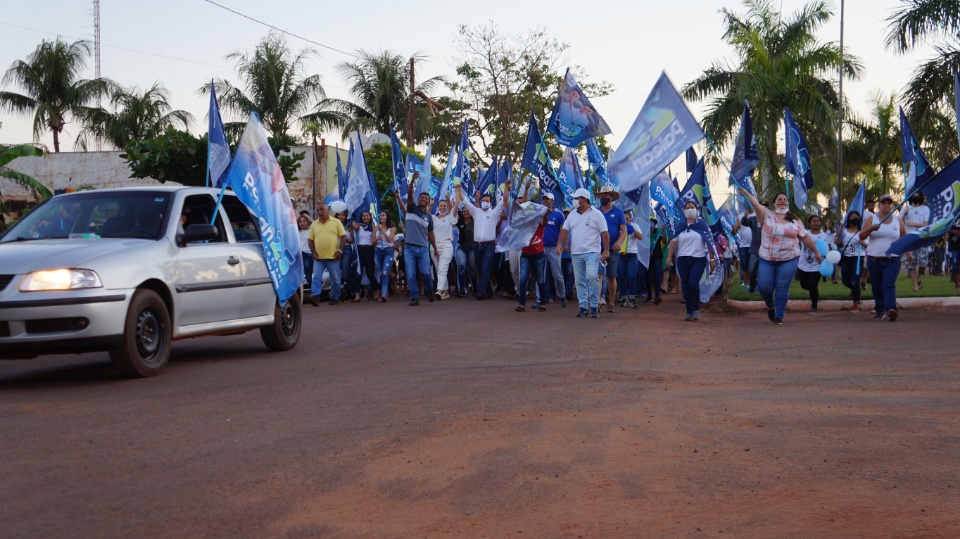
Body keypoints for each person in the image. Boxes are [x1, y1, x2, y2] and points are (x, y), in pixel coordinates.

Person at [739, 189, 822, 324]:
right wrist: (747, 194)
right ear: (774, 203)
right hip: (767, 259)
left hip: (789, 259)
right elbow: (756, 205)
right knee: (765, 287)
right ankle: (771, 305)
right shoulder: (766, 215)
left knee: (782, 287)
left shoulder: (795, 220)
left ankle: (779, 315)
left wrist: (817, 252)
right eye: (780, 199)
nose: (783, 200)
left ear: (787, 203)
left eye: (785, 199)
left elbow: (805, 237)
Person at [556, 188, 609, 318]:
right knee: (579, 281)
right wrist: (559, 244)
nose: (574, 201)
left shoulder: (596, 214)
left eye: (576, 198)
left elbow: (604, 233)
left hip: (592, 252)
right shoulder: (572, 215)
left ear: (584, 199)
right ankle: (583, 307)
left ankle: (594, 305)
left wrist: (606, 250)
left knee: (592, 277)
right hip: (576, 253)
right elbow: (564, 230)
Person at [456, 179, 507, 300]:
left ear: (490, 202)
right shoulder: (476, 211)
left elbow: (504, 201)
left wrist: (507, 188)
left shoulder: (494, 213)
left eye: (487, 201)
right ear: (480, 201)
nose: (485, 202)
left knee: (485, 268)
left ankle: (480, 291)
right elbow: (465, 201)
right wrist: (459, 191)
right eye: (483, 200)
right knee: (480, 269)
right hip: (476, 245)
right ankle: (488, 291)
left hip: (489, 245)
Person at [667, 200, 718, 321]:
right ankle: (688, 311)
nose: (690, 209)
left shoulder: (702, 225)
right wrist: (669, 256)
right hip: (682, 259)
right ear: (684, 211)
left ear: (696, 210)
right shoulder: (681, 226)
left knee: (693, 283)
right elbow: (673, 243)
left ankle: (695, 309)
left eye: (692, 207)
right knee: (685, 285)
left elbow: (709, 242)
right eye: (687, 208)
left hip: (698, 259)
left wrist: (712, 259)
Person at [860, 193, 907, 321]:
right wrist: (870, 229)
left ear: (892, 206)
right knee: (876, 286)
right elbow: (861, 236)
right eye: (884, 203)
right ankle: (879, 309)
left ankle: (891, 309)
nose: (886, 205)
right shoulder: (872, 219)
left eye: (889, 203)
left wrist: (908, 253)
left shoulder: (897, 220)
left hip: (892, 259)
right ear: (879, 206)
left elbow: (905, 237)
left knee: (888, 283)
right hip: (874, 259)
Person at [512, 181, 548, 312]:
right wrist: (526, 189)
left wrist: (545, 209)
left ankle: (543, 302)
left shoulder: (540, 222)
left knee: (540, 279)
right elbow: (525, 203)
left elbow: (544, 219)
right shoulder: (525, 222)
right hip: (526, 254)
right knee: (523, 279)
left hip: (538, 254)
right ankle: (522, 304)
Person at [404, 172, 439, 306]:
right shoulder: (412, 208)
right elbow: (409, 195)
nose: (423, 199)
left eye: (426, 198)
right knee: (411, 274)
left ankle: (430, 289)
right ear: (418, 200)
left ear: (429, 201)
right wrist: (412, 181)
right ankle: (414, 297)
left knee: (425, 272)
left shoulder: (429, 217)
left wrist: (435, 248)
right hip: (409, 248)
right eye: (421, 197)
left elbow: (431, 234)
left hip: (423, 248)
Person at [306, 201, 346, 306]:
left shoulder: (336, 222)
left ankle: (335, 297)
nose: (319, 212)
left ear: (327, 210)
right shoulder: (314, 224)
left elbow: (343, 237)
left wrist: (340, 250)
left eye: (321, 209)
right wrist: (313, 252)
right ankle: (315, 296)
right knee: (317, 278)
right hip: (318, 257)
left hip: (333, 257)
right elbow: (310, 240)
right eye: (317, 210)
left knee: (336, 280)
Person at [595, 186, 627, 313]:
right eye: (601, 196)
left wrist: (619, 242)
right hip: (599, 249)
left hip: (613, 249)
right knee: (598, 275)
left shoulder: (618, 212)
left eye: (606, 196)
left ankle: (611, 302)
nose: (603, 198)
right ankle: (597, 302)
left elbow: (624, 230)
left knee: (611, 276)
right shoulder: (596, 212)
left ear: (611, 197)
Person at [796, 214, 833, 313]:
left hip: (817, 265)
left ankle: (814, 305)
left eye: (818, 221)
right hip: (803, 264)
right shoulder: (805, 233)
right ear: (809, 223)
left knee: (813, 285)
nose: (816, 223)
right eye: (814, 221)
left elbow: (828, 248)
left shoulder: (825, 236)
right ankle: (814, 293)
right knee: (804, 285)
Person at [835, 210, 868, 314]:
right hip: (846, 257)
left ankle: (856, 303)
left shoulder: (862, 232)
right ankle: (855, 289)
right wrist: (838, 242)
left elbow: (868, 245)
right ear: (848, 219)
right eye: (852, 217)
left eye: (857, 217)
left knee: (855, 280)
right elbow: (841, 244)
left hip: (858, 258)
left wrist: (863, 243)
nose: (855, 219)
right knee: (845, 280)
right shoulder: (844, 231)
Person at [541, 192, 567, 307]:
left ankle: (562, 295)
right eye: (544, 199)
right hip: (541, 248)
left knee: (557, 274)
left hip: (554, 248)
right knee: (540, 274)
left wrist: (562, 244)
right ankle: (540, 298)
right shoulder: (539, 213)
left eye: (548, 199)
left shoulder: (559, 215)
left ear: (552, 201)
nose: (546, 201)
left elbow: (564, 231)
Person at [901, 192, 931, 291]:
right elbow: (899, 223)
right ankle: (915, 286)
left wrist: (911, 223)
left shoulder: (925, 209)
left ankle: (918, 278)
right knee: (911, 263)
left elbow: (926, 224)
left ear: (921, 198)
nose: (915, 198)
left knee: (923, 263)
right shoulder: (905, 209)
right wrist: (904, 215)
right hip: (909, 238)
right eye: (914, 196)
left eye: (917, 197)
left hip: (921, 238)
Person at [347, 210, 378, 302]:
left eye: (367, 216)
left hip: (369, 250)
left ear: (370, 217)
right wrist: (351, 210)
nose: (365, 217)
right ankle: (357, 294)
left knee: (369, 272)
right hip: (360, 250)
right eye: (364, 216)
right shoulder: (359, 226)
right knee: (357, 273)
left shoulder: (373, 226)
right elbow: (351, 221)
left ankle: (376, 291)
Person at [432, 196, 457, 300]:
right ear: (437, 207)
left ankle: (439, 290)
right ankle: (445, 291)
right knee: (439, 270)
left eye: (444, 206)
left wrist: (455, 195)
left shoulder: (449, 218)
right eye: (441, 206)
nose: (442, 207)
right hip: (434, 246)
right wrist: (430, 205)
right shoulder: (433, 218)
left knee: (442, 269)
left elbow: (454, 209)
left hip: (446, 245)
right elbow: (426, 217)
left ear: (447, 207)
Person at [373, 211, 396, 302]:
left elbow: (390, 240)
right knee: (381, 273)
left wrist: (382, 231)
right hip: (378, 251)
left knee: (385, 272)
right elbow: (372, 243)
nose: (381, 217)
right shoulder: (375, 228)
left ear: (387, 217)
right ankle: (384, 293)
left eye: (383, 215)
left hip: (388, 251)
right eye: (380, 215)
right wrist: (376, 239)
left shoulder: (392, 229)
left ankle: (383, 294)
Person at [644, 217, 666, 305]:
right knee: (647, 276)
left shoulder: (658, 231)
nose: (650, 224)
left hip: (657, 256)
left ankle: (657, 296)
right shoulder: (644, 232)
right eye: (649, 222)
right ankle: (649, 296)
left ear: (654, 223)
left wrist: (663, 231)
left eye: (652, 222)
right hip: (647, 257)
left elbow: (664, 241)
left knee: (657, 276)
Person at [455, 208, 475, 297]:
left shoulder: (475, 221)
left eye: (468, 210)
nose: (466, 212)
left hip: (472, 248)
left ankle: (475, 288)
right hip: (461, 247)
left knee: (473, 269)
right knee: (461, 267)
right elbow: (454, 210)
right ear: (462, 213)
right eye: (464, 211)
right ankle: (462, 289)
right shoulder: (460, 221)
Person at [297, 214, 313, 290]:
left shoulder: (310, 231)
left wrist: (307, 216)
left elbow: (316, 224)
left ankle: (311, 290)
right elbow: (289, 225)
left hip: (308, 254)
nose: (302, 223)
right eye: (300, 221)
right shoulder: (296, 231)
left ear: (307, 222)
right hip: (299, 254)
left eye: (304, 221)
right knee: (298, 273)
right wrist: (297, 216)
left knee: (308, 273)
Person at [948, 218, 960, 290]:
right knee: (955, 266)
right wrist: (954, 231)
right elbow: (945, 227)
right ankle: (957, 286)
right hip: (954, 246)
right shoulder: (953, 214)